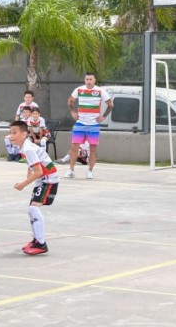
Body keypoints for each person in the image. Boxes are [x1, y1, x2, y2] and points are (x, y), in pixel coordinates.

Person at [8, 120, 59, 255]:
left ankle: (41, 244)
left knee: (33, 208)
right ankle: (36, 240)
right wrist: (27, 178)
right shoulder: (24, 147)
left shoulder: (28, 148)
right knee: (31, 209)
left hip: (48, 179)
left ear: (24, 134)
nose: (11, 136)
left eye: (14, 132)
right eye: (10, 133)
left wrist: (23, 184)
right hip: (43, 179)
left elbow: (39, 171)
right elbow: (32, 166)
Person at [67, 72, 114, 179]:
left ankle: (90, 171)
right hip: (80, 123)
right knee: (74, 147)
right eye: (87, 79)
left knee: (93, 149)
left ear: (94, 80)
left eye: (90, 79)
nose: (88, 81)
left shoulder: (100, 91)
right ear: (85, 80)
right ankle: (71, 170)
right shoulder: (79, 89)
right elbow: (70, 100)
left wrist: (103, 116)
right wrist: (72, 112)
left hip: (93, 125)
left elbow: (111, 104)